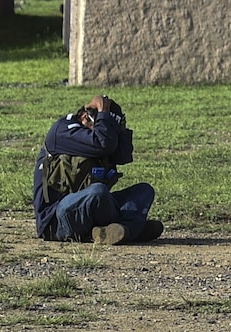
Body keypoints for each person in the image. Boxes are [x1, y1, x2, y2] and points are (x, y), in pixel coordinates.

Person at [33, 95, 163, 245]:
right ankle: (132, 229)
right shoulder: (62, 131)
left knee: (144, 191)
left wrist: (121, 128)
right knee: (98, 191)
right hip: (57, 219)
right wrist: (103, 111)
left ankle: (110, 232)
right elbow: (103, 143)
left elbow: (123, 156)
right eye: (102, 126)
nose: (107, 133)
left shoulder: (105, 137)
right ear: (84, 117)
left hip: (89, 212)